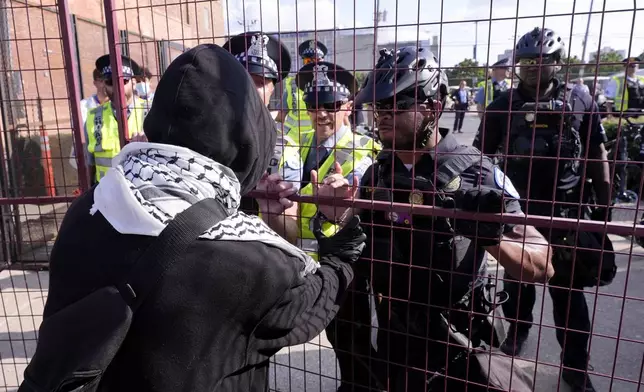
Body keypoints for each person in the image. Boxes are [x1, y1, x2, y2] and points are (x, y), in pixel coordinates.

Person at [21, 44, 367, 392]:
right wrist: (342, 248)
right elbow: (314, 302)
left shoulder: (86, 211)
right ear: (247, 134)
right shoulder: (251, 259)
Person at [326, 46, 553, 392]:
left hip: (459, 345)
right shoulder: (376, 175)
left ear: (434, 105)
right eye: (379, 106)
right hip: (395, 342)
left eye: (399, 104)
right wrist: (336, 214)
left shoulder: (478, 173)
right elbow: (349, 246)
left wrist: (492, 237)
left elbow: (542, 264)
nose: (384, 115)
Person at [474, 27, 613, 392]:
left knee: (569, 297)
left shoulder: (580, 100)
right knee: (518, 287)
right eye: (526, 63)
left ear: (556, 63)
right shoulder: (502, 105)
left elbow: (596, 155)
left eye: (542, 62)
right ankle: (514, 343)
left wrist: (604, 206)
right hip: (519, 214)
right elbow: (480, 159)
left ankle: (575, 367)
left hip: (566, 214)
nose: (534, 69)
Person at [279, 60, 380, 258]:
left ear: (349, 107)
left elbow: (355, 212)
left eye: (332, 105)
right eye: (313, 105)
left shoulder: (363, 152)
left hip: (330, 264)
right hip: (285, 256)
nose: (321, 114)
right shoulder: (296, 142)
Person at [223, 31, 302, 243]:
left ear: (272, 88)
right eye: (242, 80)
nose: (249, 90)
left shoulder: (284, 148)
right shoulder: (201, 137)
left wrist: (273, 214)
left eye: (259, 82)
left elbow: (290, 235)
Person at [84, 54, 148, 184]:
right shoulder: (93, 117)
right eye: (111, 82)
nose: (118, 88)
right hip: (105, 192)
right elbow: (90, 164)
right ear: (103, 85)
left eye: (124, 81)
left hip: (141, 192)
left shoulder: (150, 112)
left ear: (134, 83)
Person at [274, 39, 328, 138]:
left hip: (319, 139)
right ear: (303, 62)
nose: (313, 65)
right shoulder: (293, 83)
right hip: (293, 139)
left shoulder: (331, 84)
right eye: (308, 61)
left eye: (317, 60)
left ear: (323, 61)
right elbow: (281, 114)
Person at [69, 68, 109, 170]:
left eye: (108, 80)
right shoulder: (82, 106)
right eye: (101, 80)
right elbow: (81, 136)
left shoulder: (117, 106)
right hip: (90, 161)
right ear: (95, 83)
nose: (105, 84)